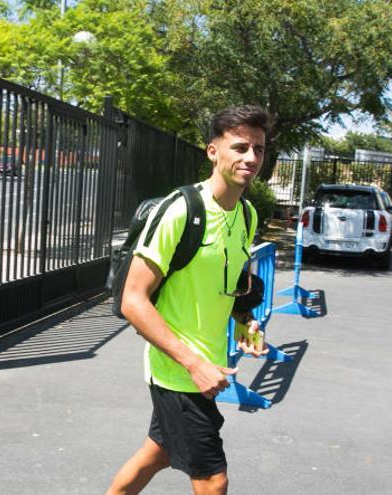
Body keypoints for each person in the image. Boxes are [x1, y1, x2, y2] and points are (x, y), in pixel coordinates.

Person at [106, 105, 272, 495]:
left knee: (158, 452)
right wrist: (194, 363)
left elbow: (227, 282)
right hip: (179, 371)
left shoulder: (246, 214)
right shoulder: (182, 210)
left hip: (207, 367)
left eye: (259, 149)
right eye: (240, 147)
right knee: (213, 481)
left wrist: (244, 320)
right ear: (213, 151)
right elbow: (133, 300)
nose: (251, 157)